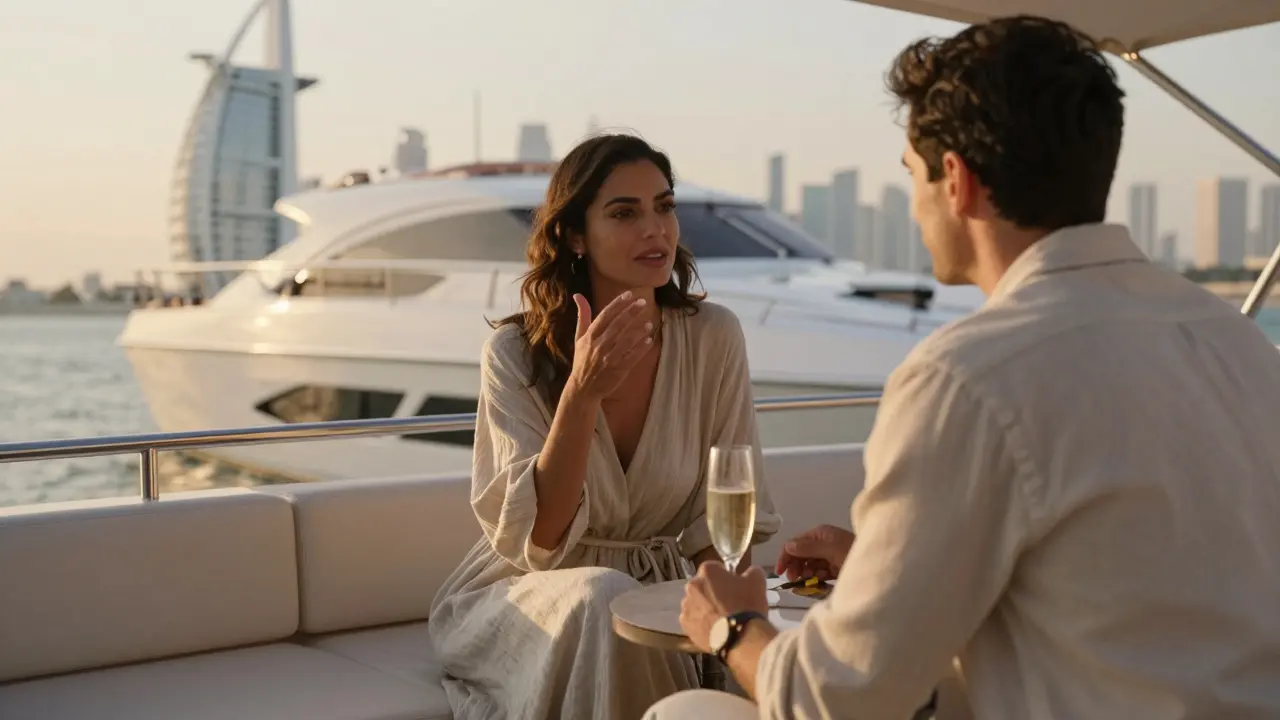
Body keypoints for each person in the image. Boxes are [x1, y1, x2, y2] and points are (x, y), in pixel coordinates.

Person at [647, 14, 1280, 719]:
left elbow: (834, 698)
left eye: (912, 175)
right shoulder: (1239, 344)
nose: (915, 205)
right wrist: (887, 570)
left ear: (957, 181)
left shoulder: (967, 378)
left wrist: (731, 626)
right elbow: (1127, 595)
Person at [428, 132, 783, 720]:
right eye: (624, 213)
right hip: (529, 594)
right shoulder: (514, 353)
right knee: (604, 598)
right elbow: (541, 539)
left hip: (653, 589)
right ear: (573, 235)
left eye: (664, 207)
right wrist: (582, 391)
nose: (655, 229)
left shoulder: (713, 337)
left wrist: (740, 624)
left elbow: (718, 525)